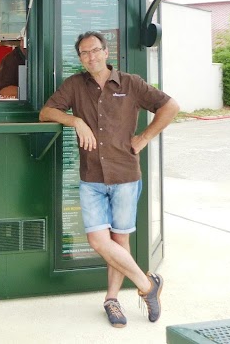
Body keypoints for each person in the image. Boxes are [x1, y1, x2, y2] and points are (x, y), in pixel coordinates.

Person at [39, 30, 179, 328]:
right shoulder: (75, 85)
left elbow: (171, 107)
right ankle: (147, 284)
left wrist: (143, 138)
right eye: (84, 53)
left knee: (120, 239)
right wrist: (75, 120)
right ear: (80, 58)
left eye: (94, 51)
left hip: (125, 174)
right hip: (92, 176)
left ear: (106, 51)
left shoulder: (131, 83)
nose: (90, 57)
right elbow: (47, 112)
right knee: (98, 240)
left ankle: (112, 300)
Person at [0, 30, 27, 97]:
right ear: (22, 41)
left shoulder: (39, 59)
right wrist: (29, 92)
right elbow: (4, 90)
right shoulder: (11, 60)